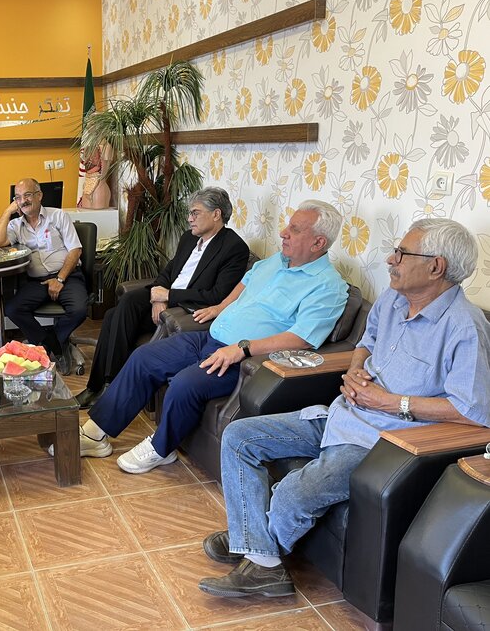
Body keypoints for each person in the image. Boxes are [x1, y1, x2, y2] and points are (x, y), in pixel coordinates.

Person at [198, 218, 490, 599]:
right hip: (341, 415)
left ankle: (259, 557)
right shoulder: (392, 299)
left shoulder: (465, 328)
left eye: (402, 253)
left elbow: (474, 412)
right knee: (239, 436)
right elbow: (365, 344)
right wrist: (354, 370)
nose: (390, 260)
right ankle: (258, 548)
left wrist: (392, 403)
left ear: (436, 267)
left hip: (382, 444)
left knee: (291, 493)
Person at [64, 200, 348, 475]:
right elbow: (245, 282)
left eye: (294, 229)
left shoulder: (328, 287)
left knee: (184, 384)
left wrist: (243, 348)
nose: (283, 233)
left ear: (318, 243)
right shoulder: (278, 260)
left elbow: (302, 338)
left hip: (241, 359)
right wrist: (220, 307)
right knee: (144, 357)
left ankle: (162, 449)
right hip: (210, 338)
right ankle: (95, 434)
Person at [75, 187, 250, 409]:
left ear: (216, 214)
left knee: (117, 312)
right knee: (116, 311)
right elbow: (168, 272)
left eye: (195, 213)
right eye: (189, 213)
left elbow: (217, 295)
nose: (189, 219)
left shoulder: (234, 247)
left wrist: (169, 296)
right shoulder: (189, 238)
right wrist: (158, 297)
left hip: (184, 308)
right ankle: (98, 386)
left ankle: (107, 386)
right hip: (166, 298)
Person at [0, 177, 86, 374]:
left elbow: (75, 250)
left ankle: (48, 345)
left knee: (79, 310)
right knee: (13, 309)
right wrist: (7, 211)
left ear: (39, 195)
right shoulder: (16, 225)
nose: (23, 201)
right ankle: (52, 344)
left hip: (67, 276)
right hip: (37, 281)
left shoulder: (58, 216)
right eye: (18, 197)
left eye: (27, 195)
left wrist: (59, 279)